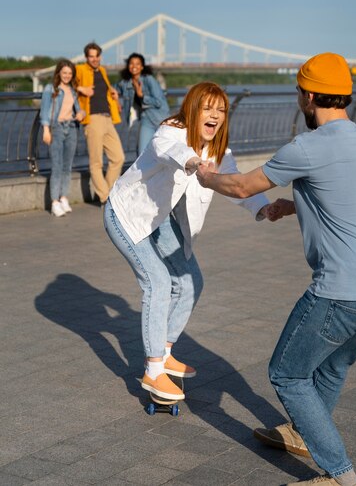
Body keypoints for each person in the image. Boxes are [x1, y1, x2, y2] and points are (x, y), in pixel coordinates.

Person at [196, 53, 356, 486]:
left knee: (287, 373)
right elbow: (348, 202)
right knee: (330, 368)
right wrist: (292, 207)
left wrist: (207, 176)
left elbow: (240, 185)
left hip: (342, 291)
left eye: (298, 93)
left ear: (308, 95)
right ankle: (303, 432)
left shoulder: (309, 146)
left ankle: (342, 477)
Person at [103, 82, 271, 401]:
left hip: (162, 220)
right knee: (158, 282)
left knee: (191, 281)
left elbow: (234, 184)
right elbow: (169, 149)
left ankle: (164, 351)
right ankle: (153, 371)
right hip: (126, 214)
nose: (215, 116)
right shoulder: (171, 130)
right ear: (193, 109)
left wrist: (263, 206)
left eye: (221, 110)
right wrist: (193, 162)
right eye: (208, 108)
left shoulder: (218, 151)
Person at [76, 42, 125, 204]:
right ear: (86, 57)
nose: (95, 59)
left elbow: (106, 91)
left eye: (97, 56)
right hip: (92, 119)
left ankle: (107, 193)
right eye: (91, 56)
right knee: (96, 162)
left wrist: (114, 95)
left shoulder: (102, 71)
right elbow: (66, 81)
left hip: (107, 118)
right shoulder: (81, 70)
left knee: (118, 157)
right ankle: (105, 197)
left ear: (100, 56)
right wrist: (81, 89)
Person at [40, 59, 86, 217]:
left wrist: (81, 114)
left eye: (69, 73)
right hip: (56, 129)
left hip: (72, 128)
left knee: (67, 166)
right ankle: (54, 202)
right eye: (64, 72)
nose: (67, 75)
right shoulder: (51, 89)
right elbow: (45, 110)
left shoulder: (72, 90)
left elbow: (80, 110)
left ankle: (64, 197)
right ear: (59, 72)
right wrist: (46, 130)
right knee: (57, 166)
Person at [116, 53, 170, 155]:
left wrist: (142, 96)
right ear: (128, 66)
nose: (134, 66)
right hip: (146, 119)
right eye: (131, 63)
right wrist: (115, 97)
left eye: (137, 64)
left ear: (142, 67)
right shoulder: (126, 83)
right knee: (142, 153)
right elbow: (112, 88)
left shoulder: (148, 79)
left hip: (161, 119)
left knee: (164, 153)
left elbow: (158, 102)